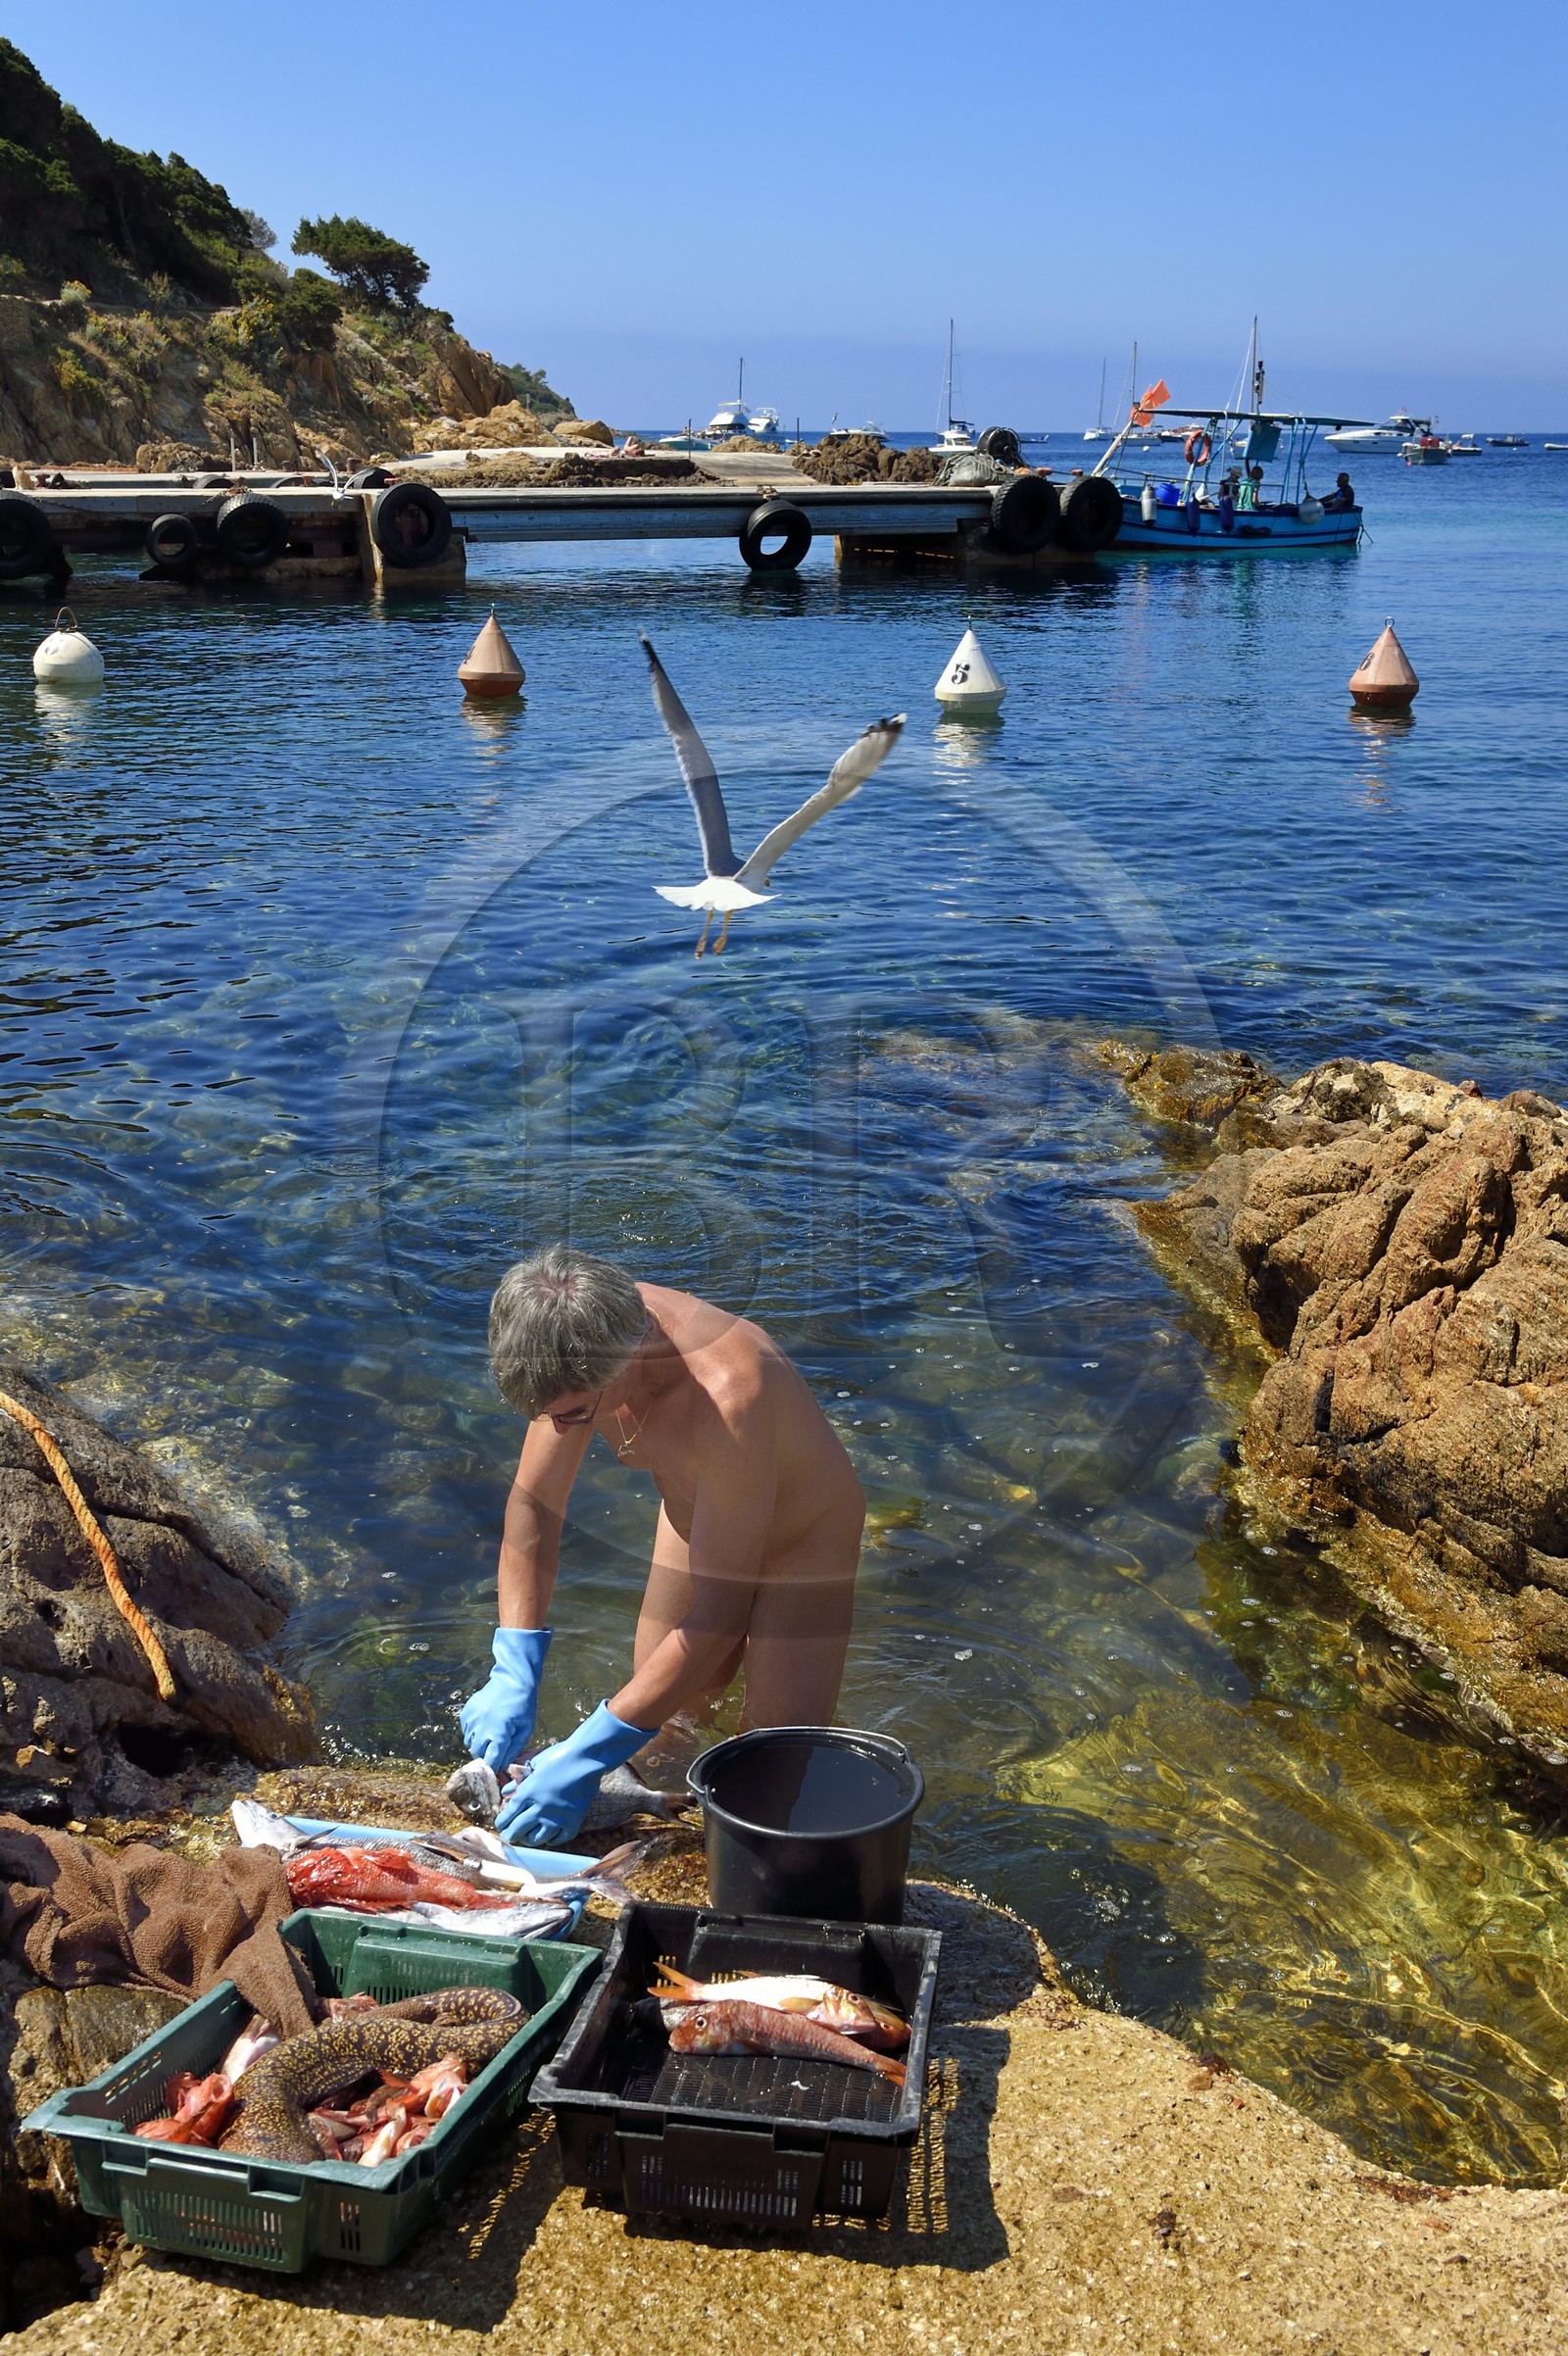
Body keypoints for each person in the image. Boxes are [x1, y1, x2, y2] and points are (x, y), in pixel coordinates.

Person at [459, 1247, 865, 1845]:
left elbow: (718, 1618)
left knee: (771, 1757)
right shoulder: (573, 1336)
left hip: (802, 1544)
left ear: (625, 1359)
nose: (562, 1429)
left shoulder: (726, 1396)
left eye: (574, 1415)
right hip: (696, 1514)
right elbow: (534, 1506)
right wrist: (515, 1660)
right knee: (665, 1725)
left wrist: (588, 1749)